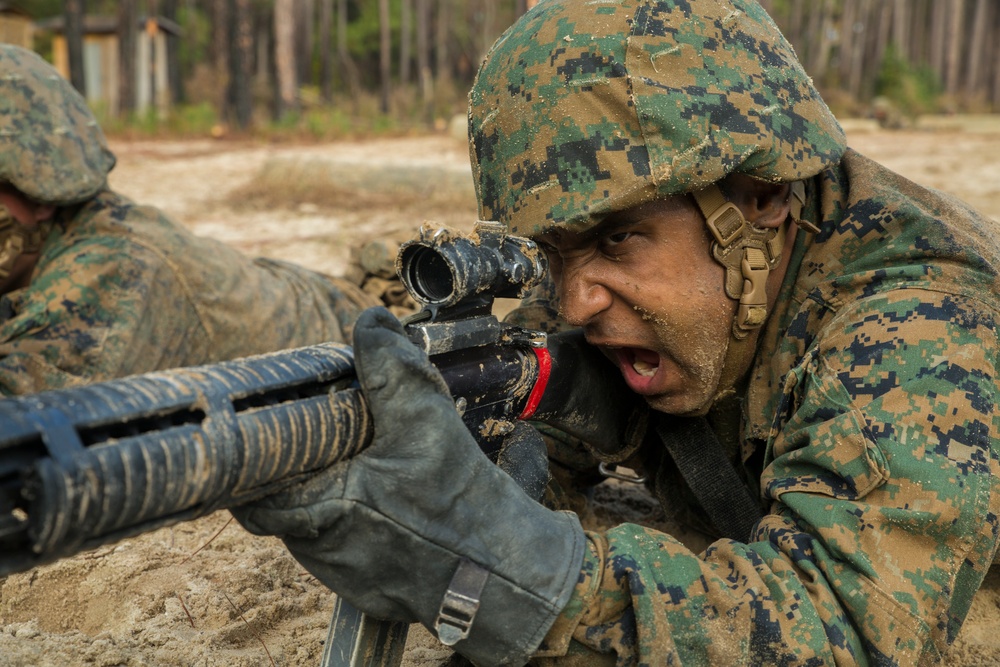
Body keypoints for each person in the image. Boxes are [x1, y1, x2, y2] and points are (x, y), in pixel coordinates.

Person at [235, 1, 1000, 664]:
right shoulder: (645, 286)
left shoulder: (924, 322)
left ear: (760, 196)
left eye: (617, 240)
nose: (573, 304)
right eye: (551, 251)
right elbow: (533, 416)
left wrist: (510, 570)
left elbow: (840, 629)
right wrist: (509, 461)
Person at [0, 45, 376, 396]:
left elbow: (23, 413)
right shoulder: (49, 242)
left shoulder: (109, 271)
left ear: (41, 191)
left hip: (355, 332)